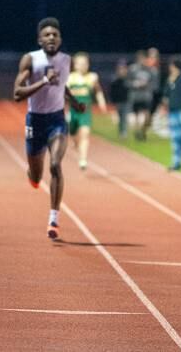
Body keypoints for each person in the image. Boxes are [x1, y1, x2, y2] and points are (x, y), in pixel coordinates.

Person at [13, 17, 85, 240]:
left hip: (56, 120)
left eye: (55, 34)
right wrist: (44, 80)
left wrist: (74, 102)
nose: (51, 37)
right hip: (35, 121)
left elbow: (63, 86)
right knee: (37, 174)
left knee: (55, 164)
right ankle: (33, 175)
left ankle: (54, 219)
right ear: (39, 40)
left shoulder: (66, 60)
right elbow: (17, 93)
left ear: (60, 38)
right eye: (47, 35)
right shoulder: (30, 60)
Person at [67, 52, 107, 170]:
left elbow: (98, 91)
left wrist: (101, 102)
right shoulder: (70, 77)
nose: (82, 66)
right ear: (75, 65)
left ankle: (83, 160)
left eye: (85, 63)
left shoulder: (92, 77)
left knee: (85, 134)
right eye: (80, 63)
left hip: (85, 112)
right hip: (73, 112)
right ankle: (74, 142)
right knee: (73, 133)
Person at [163, 57, 181, 171]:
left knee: (177, 137)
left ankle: (176, 162)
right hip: (172, 110)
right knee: (179, 137)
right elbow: (166, 93)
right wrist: (170, 82)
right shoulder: (170, 78)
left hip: (180, 111)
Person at [128, 50, 155, 141]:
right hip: (136, 96)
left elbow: (154, 83)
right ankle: (137, 133)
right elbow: (127, 82)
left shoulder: (150, 70)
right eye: (140, 59)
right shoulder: (132, 69)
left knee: (147, 116)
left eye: (143, 59)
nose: (142, 61)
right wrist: (135, 84)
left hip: (146, 96)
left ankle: (143, 131)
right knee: (136, 116)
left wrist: (147, 85)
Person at [110, 61, 130, 139]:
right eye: (120, 69)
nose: (122, 70)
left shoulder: (128, 79)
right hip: (118, 101)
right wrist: (113, 100)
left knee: (124, 117)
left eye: (123, 69)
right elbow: (112, 91)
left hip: (126, 101)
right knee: (120, 117)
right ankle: (121, 131)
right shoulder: (115, 79)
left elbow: (129, 91)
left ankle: (124, 132)